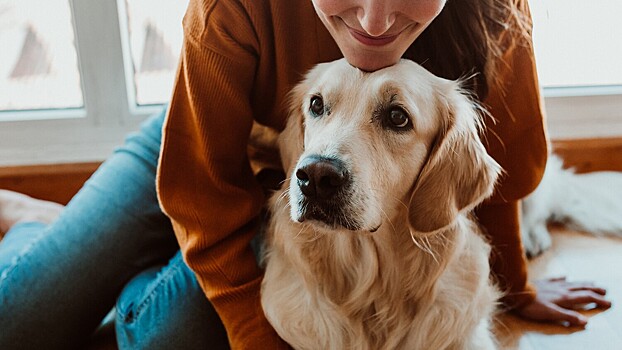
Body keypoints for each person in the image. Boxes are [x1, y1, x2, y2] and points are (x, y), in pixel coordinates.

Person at [0, 0, 611, 348]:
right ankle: (39, 226)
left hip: (302, 179)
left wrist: (517, 285)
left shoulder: (494, 14)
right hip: (197, 153)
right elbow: (198, 193)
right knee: (18, 324)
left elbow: (487, 171)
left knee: (167, 341)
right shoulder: (229, 6)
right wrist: (256, 338)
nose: (374, 20)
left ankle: (101, 250)